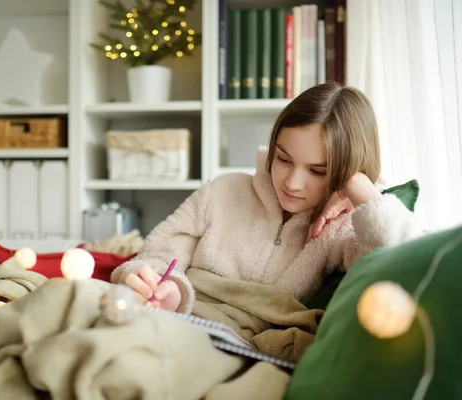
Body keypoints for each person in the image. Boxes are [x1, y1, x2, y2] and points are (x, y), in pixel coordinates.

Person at [110, 82, 420, 314]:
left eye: (317, 171)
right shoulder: (224, 190)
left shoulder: (342, 231)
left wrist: (358, 186)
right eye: (284, 159)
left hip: (248, 348)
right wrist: (159, 288)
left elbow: (409, 265)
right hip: (183, 318)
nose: (293, 183)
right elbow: (156, 254)